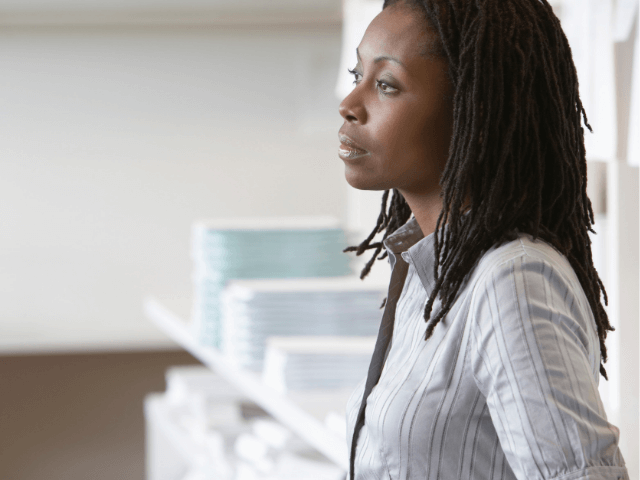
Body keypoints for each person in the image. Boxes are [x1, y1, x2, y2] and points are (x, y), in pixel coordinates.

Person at [338, 1, 630, 479]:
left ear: (475, 104)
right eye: (358, 75)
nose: (350, 105)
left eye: (386, 85)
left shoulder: (514, 279)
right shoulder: (425, 266)